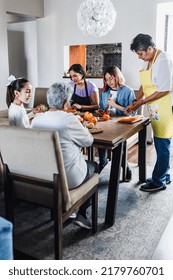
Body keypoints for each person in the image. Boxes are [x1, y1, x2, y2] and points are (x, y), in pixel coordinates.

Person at [31, 82, 98, 229]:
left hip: (45, 176)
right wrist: (84, 128)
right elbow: (88, 141)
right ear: (66, 103)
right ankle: (81, 213)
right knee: (94, 166)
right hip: (68, 179)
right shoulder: (68, 119)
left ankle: (70, 210)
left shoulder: (36, 120)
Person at [127, 33, 173, 192]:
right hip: (155, 108)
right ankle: (164, 175)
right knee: (161, 143)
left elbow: (164, 90)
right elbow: (144, 86)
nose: (140, 57)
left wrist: (141, 102)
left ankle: (158, 181)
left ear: (150, 48)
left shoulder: (163, 60)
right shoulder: (147, 62)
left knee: (162, 144)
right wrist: (135, 101)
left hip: (166, 107)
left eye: (141, 54)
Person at [98, 66, 136, 180]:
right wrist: (102, 110)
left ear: (117, 77)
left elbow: (132, 114)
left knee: (118, 143)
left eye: (111, 78)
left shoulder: (128, 91)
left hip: (122, 124)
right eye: (106, 79)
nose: (109, 82)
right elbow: (102, 108)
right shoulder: (105, 92)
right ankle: (103, 162)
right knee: (100, 136)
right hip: (108, 122)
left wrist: (115, 105)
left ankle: (125, 166)